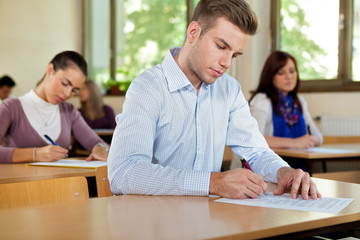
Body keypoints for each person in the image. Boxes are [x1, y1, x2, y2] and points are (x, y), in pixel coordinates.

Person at [108, 0, 321, 200]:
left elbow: (255, 151)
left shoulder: (229, 89)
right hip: (154, 223)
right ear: (193, 33)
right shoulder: (148, 87)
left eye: (235, 55)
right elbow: (124, 172)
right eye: (221, 46)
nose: (227, 62)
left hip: (209, 219)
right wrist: (212, 182)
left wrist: (284, 172)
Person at [0, 51, 109, 163]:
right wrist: (35, 154)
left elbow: (98, 143)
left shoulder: (69, 111)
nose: (67, 94)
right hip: (20, 180)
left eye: (74, 90)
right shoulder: (11, 107)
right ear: (50, 70)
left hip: (64, 180)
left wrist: (100, 149)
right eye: (65, 83)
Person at [249, 51, 323, 149]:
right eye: (281, 73)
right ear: (270, 76)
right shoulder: (262, 100)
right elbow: (253, 139)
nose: (289, 77)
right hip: (259, 163)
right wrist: (295, 143)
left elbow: (318, 136)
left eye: (292, 71)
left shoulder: (298, 101)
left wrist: (309, 140)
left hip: (292, 161)